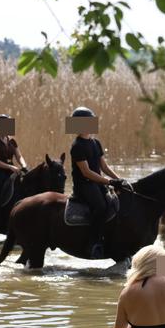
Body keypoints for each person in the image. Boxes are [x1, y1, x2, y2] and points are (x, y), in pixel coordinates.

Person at [69, 106, 126, 259]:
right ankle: (93, 242)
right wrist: (109, 181)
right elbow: (86, 172)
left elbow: (103, 166)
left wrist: (118, 179)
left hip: (98, 183)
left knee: (114, 203)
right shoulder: (77, 146)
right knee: (101, 206)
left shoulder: (96, 143)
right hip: (84, 185)